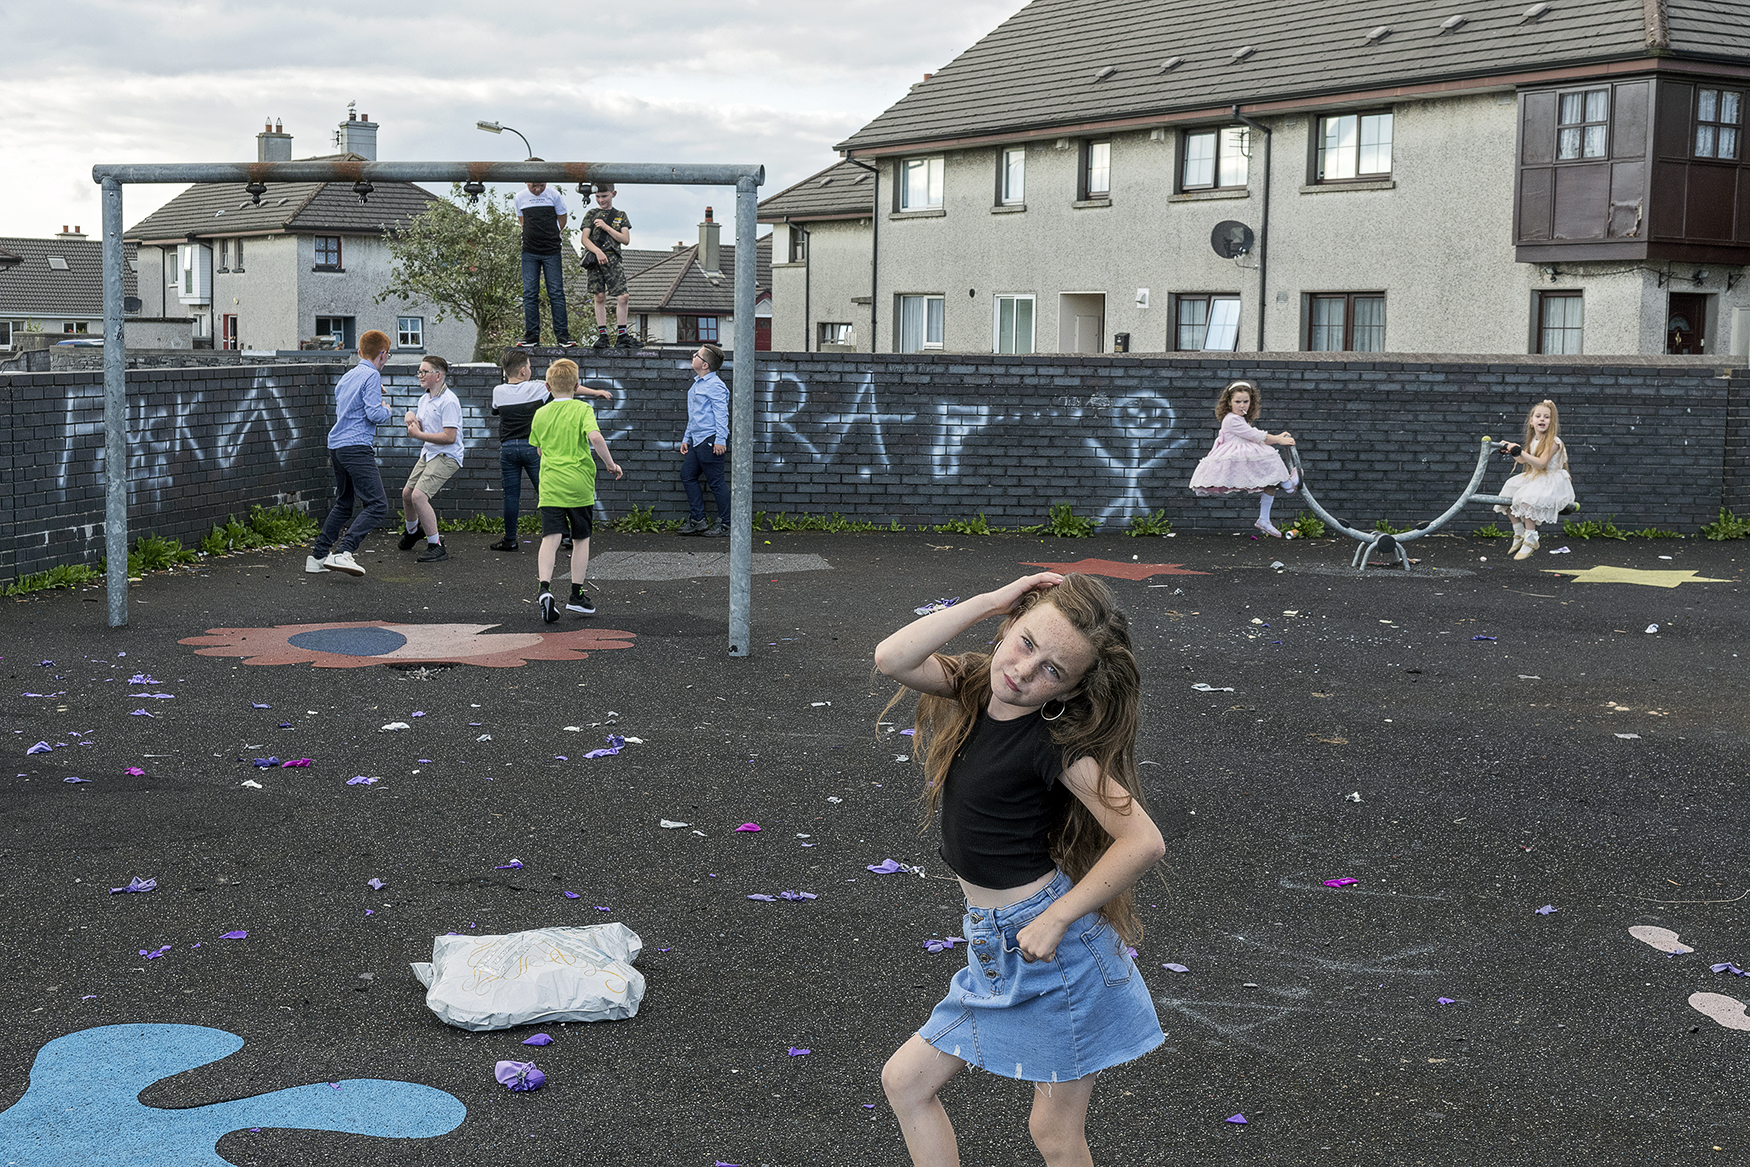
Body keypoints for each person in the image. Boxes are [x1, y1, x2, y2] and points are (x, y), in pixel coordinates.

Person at [873, 572, 1166, 1167]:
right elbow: (892, 658)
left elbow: (1143, 840)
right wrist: (987, 600)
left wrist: (1058, 919)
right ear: (1009, 624)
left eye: (1053, 670)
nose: (1025, 671)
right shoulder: (978, 685)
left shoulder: (1055, 743)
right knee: (906, 1083)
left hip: (1052, 952)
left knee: (1054, 1134)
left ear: (1070, 689)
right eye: (1026, 642)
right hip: (994, 940)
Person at [489, 348, 613, 552]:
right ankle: (564, 536)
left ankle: (510, 539)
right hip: (532, 446)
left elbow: (496, 411)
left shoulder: (498, 391)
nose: (531, 369)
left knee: (511, 495)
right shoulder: (537, 387)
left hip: (508, 448)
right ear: (522, 371)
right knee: (547, 494)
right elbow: (566, 388)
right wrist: (596, 392)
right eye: (529, 366)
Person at [529, 358, 622, 622]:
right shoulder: (582, 410)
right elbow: (594, 437)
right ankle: (577, 595)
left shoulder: (541, 413)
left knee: (551, 537)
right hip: (579, 484)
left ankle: (544, 589)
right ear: (577, 385)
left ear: (547, 386)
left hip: (550, 484)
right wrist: (610, 464)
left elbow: (539, 449)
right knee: (581, 538)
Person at [304, 329, 394, 577]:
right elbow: (374, 414)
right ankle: (344, 552)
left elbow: (350, 406)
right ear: (383, 354)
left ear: (358, 352)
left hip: (337, 446)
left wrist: (376, 395)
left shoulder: (347, 377)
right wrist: (387, 408)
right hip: (357, 447)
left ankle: (318, 556)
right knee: (377, 505)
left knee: (344, 503)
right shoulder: (373, 377)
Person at [1188, 379, 1299, 538]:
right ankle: (1288, 484)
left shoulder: (1240, 418)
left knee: (1270, 478)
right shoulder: (1231, 419)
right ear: (1229, 402)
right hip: (1237, 455)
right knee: (1270, 458)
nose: (1242, 405)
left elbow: (1253, 432)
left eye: (1246, 401)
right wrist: (1279, 440)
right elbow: (1255, 435)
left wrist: (1277, 437)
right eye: (1237, 401)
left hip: (1244, 451)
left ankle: (1264, 519)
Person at [396, 355, 465, 563]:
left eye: (424, 372)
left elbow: (449, 437)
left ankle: (436, 545)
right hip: (430, 452)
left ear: (438, 375)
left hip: (447, 455)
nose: (420, 375)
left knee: (418, 496)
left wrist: (417, 435)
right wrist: (411, 417)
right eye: (419, 371)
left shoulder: (449, 401)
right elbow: (424, 428)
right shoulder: (425, 399)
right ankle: (413, 531)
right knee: (407, 494)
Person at [1494, 398, 1574, 560]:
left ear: (1552, 422)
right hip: (1536, 476)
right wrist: (1513, 451)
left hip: (1550, 479)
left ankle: (1531, 537)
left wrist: (1520, 451)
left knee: (1527, 497)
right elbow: (1524, 460)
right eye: (1538, 416)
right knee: (1507, 491)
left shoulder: (1553, 442)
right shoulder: (1534, 440)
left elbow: (1541, 463)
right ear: (1531, 421)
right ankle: (1519, 532)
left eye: (1546, 417)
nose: (1542, 419)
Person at [514, 174, 574, 349]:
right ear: (526, 182)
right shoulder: (520, 197)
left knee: (556, 292)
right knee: (529, 293)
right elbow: (522, 220)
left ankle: (563, 335)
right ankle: (532, 335)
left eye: (541, 185)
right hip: (529, 252)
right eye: (534, 186)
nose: (538, 189)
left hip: (551, 250)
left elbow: (562, 217)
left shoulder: (554, 195)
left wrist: (553, 232)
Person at [678, 342, 730, 537]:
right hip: (697, 440)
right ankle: (698, 520)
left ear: (705, 364)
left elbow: (722, 414)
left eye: (696, 355)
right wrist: (686, 438)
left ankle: (725, 523)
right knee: (687, 475)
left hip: (710, 439)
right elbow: (694, 416)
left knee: (716, 482)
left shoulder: (715, 386)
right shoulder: (697, 385)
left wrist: (721, 440)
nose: (693, 356)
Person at [579, 184, 633, 350]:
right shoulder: (591, 214)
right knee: (599, 296)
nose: (601, 200)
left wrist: (605, 226)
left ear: (613, 194)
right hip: (596, 258)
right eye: (598, 197)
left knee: (623, 296)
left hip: (613, 258)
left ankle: (622, 334)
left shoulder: (620, 215)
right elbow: (584, 239)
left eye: (604, 196)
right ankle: (603, 335)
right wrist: (597, 252)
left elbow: (625, 239)